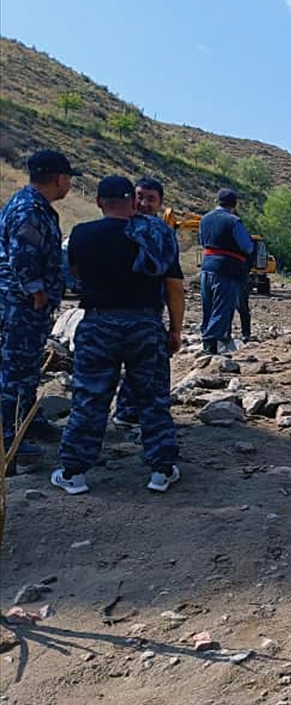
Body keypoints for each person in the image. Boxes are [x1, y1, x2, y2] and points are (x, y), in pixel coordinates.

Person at [51, 176, 183, 495]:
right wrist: (175, 328)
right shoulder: (157, 233)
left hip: (98, 323)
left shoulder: (82, 234)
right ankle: (161, 471)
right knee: (152, 399)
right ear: (133, 201)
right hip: (144, 323)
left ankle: (74, 473)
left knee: (90, 398)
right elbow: (174, 287)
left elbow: (76, 277)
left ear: (98, 202)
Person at [0, 150, 78, 462]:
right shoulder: (30, 208)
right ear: (60, 178)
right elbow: (21, 255)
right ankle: (8, 440)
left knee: (28, 366)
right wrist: (37, 291)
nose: (68, 185)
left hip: (25, 304)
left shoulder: (34, 206)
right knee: (14, 370)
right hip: (19, 303)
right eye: (69, 179)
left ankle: (27, 421)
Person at [112, 177, 174, 430]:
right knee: (152, 369)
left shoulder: (159, 231)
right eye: (140, 197)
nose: (144, 203)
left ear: (160, 204)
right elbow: (174, 284)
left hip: (136, 311)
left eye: (151, 199)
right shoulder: (121, 227)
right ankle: (150, 423)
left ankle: (127, 412)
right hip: (134, 313)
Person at [198, 188, 255, 354]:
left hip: (206, 267)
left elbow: (202, 241)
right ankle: (211, 345)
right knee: (222, 308)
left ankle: (207, 341)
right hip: (226, 269)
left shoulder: (205, 219)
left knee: (207, 307)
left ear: (217, 201)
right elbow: (247, 246)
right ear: (234, 205)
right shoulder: (233, 221)